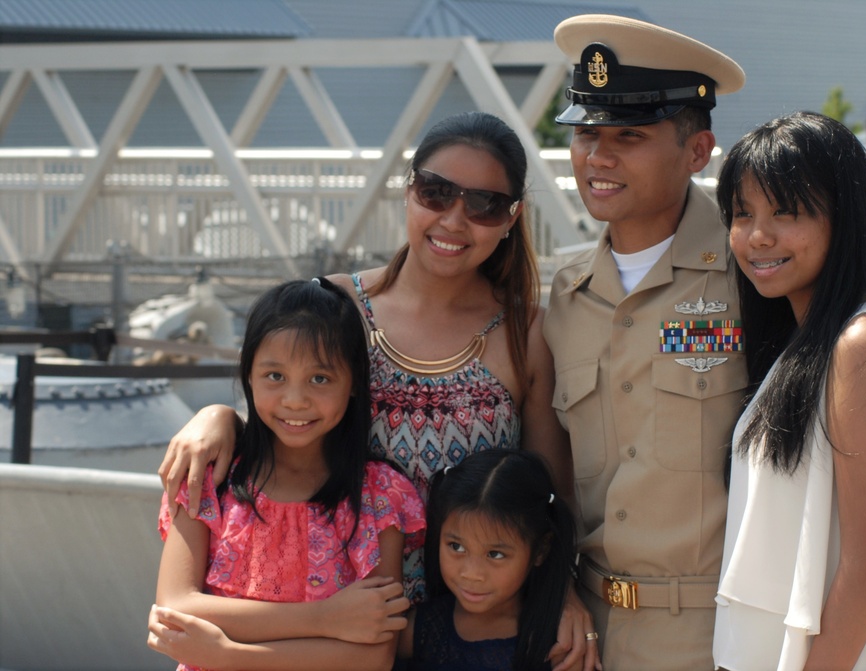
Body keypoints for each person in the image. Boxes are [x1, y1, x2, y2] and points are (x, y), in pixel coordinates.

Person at [541, 14, 866, 670]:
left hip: (728, 635)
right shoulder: (564, 299)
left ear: (697, 151)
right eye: (585, 133)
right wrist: (557, 589)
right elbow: (550, 466)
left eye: (629, 135)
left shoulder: (760, 272)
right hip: (594, 635)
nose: (599, 156)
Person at [156, 112, 596, 670]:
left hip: (466, 631)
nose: (454, 220)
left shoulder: (526, 331)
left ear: (512, 217)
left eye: (483, 204)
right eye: (436, 193)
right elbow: (285, 420)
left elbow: (548, 490)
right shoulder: (339, 306)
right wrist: (218, 415)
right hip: (334, 624)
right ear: (408, 192)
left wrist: (567, 591)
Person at [713, 111, 866, 670]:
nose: (758, 234)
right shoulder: (808, 338)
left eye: (785, 212)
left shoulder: (862, 342)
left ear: (844, 218)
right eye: (743, 213)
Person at [149, 278, 426, 670]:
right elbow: (175, 608)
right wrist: (326, 619)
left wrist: (227, 654)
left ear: (353, 384)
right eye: (275, 376)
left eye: (320, 378)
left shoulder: (380, 496)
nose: (295, 400)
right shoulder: (209, 478)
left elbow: (373, 657)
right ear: (248, 374)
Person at [397, 449, 577, 671]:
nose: (472, 573)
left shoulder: (559, 644)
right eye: (457, 547)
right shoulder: (419, 631)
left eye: (495, 554)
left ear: (540, 550)